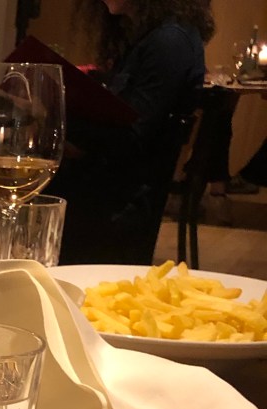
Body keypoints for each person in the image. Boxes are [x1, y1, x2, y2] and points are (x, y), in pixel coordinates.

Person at [48, 0, 215, 264]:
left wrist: (56, 121)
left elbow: (132, 139)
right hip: (105, 194)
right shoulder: (155, 36)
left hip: (114, 209)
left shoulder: (169, 41)